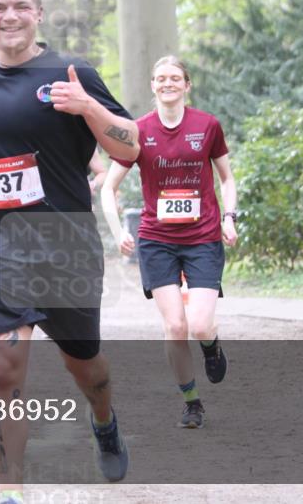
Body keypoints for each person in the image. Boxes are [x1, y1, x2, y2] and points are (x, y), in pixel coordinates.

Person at [0, 0, 139, 504]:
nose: (9, 16)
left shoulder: (71, 72)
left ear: (39, 14)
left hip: (64, 243)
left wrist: (87, 107)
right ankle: (9, 492)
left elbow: (130, 145)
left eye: (21, 6)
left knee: (83, 363)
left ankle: (104, 419)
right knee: (3, 367)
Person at [100, 55, 238, 430]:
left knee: (199, 325)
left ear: (186, 85)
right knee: (175, 327)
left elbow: (226, 179)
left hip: (203, 238)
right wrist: (118, 231)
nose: (167, 83)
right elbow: (109, 188)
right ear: (152, 85)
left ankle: (211, 346)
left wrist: (229, 217)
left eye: (175, 78)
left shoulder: (207, 126)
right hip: (157, 241)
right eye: (160, 78)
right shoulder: (138, 131)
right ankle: (192, 401)